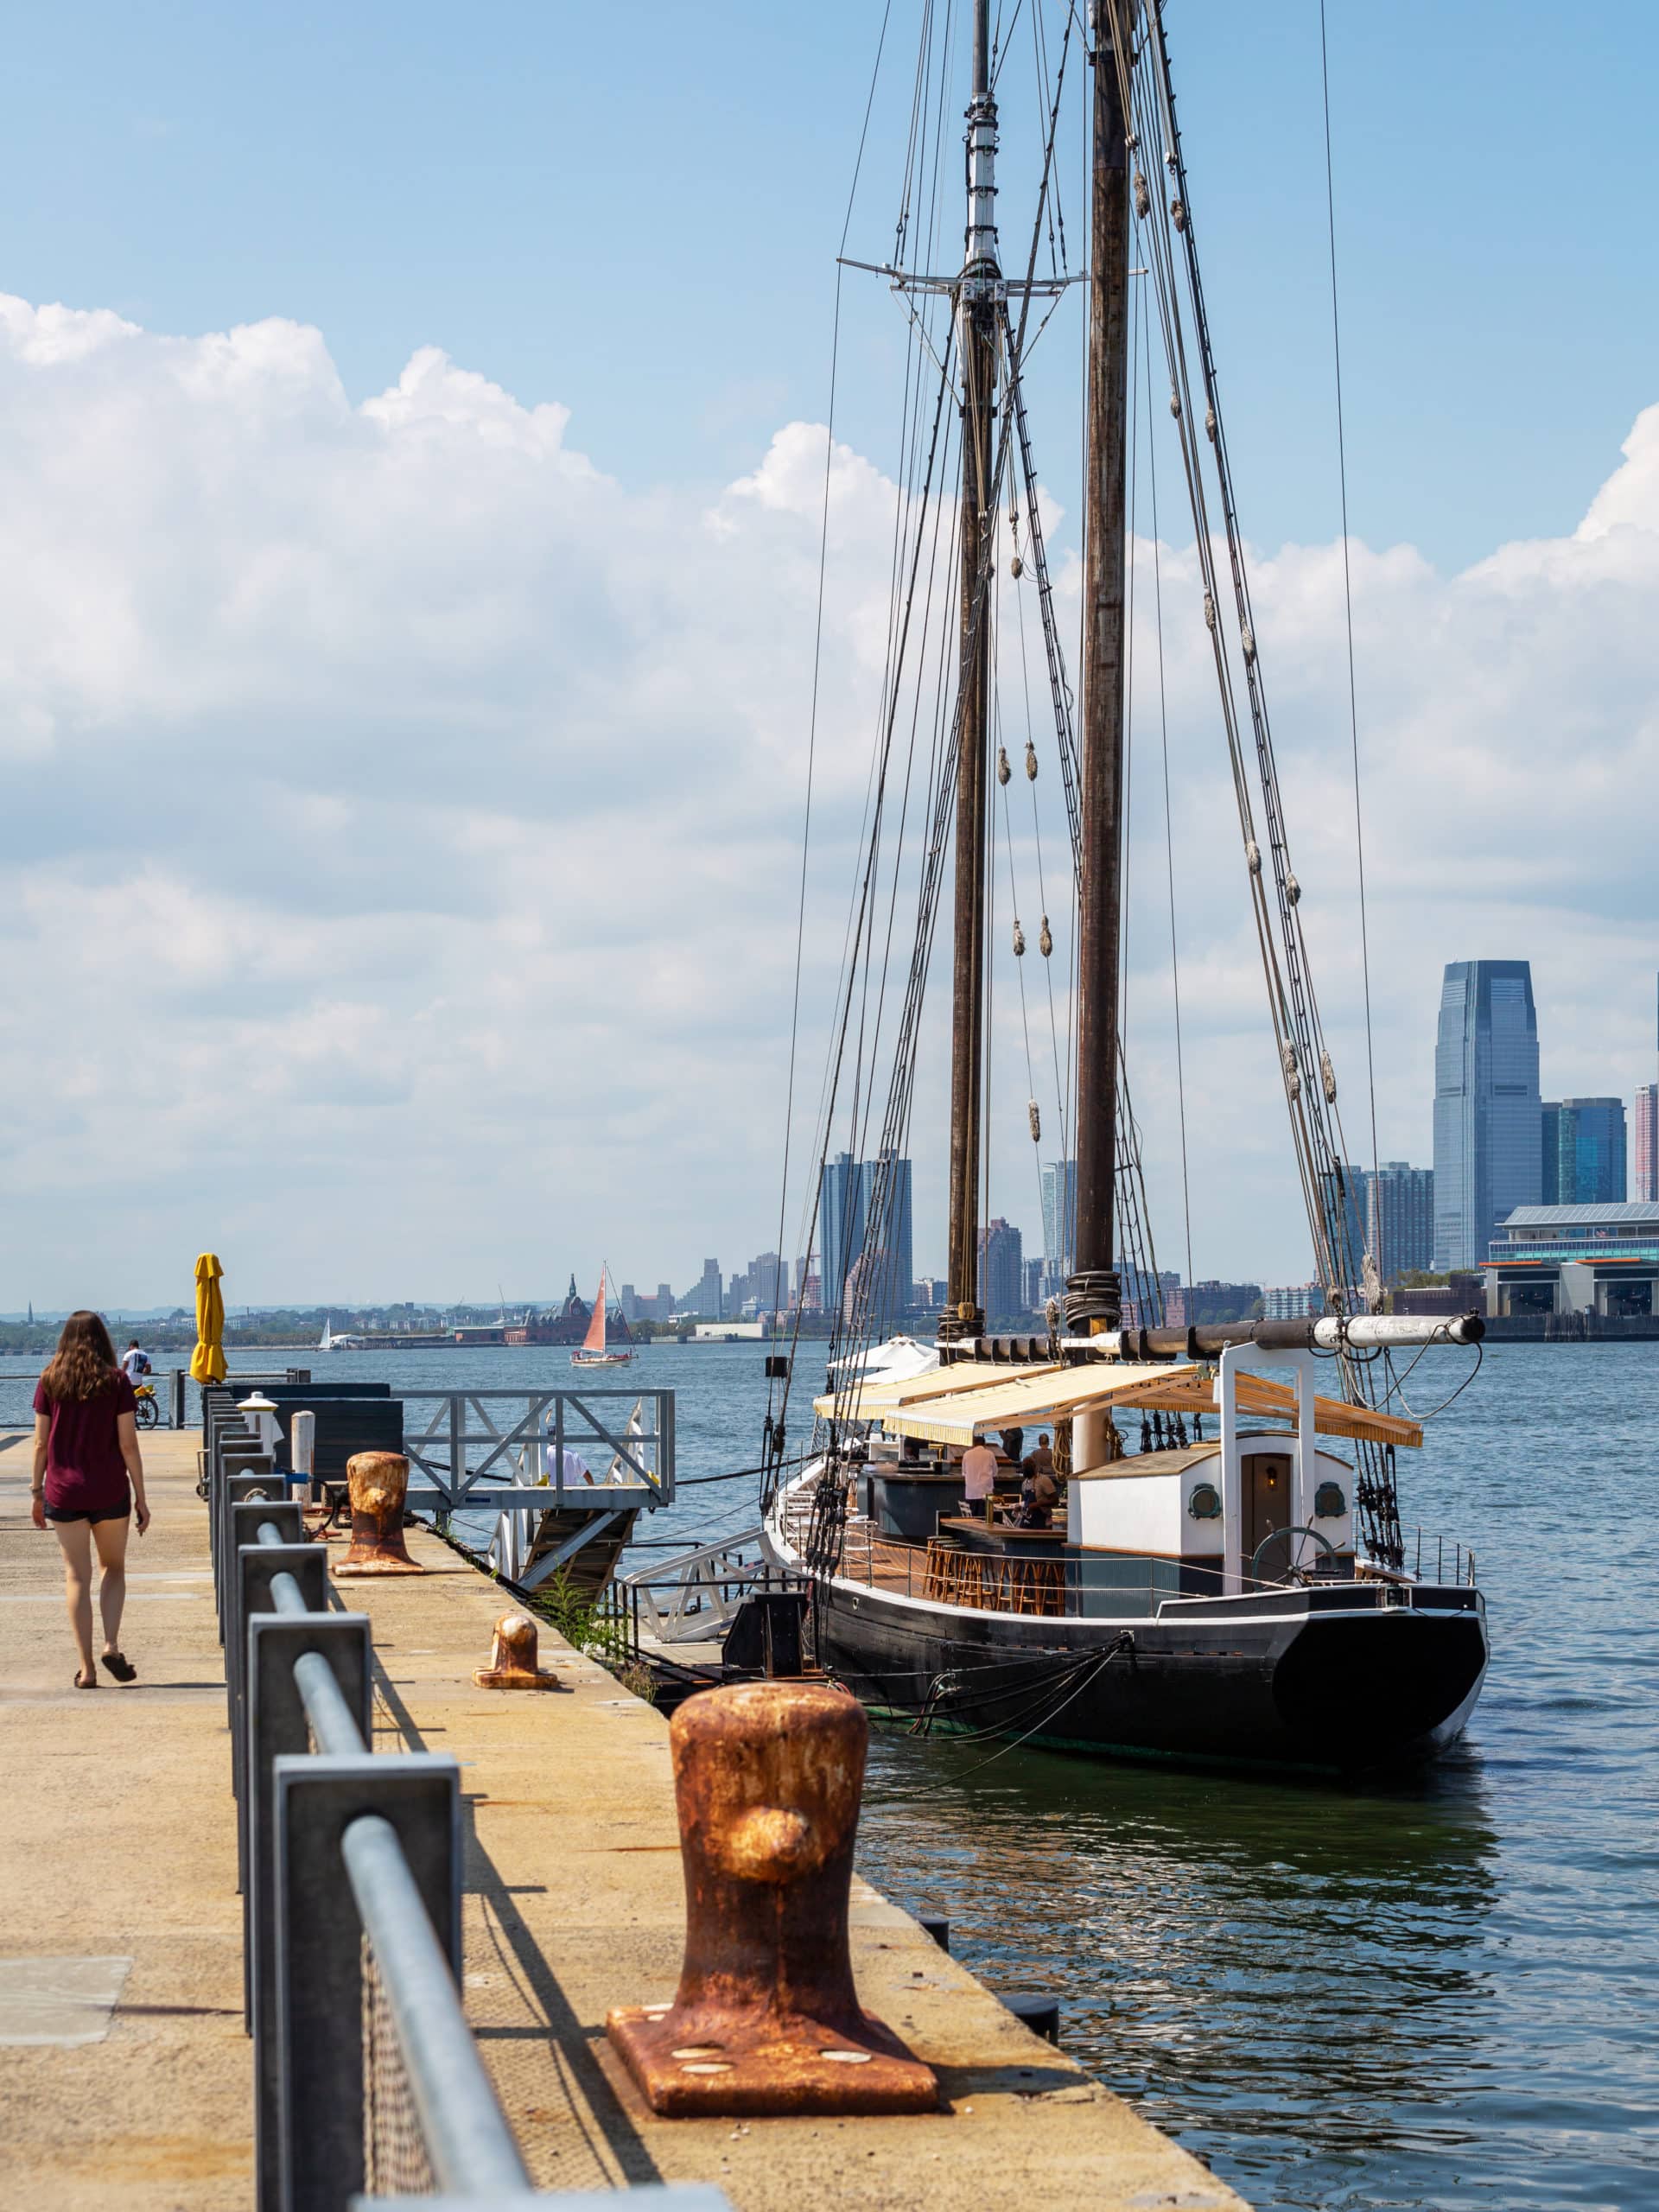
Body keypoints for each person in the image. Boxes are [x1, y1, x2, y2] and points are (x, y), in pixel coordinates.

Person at [30, 1311, 150, 1688]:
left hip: (64, 1492)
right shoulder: (116, 1382)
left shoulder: (49, 1380)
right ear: (104, 1341)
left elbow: (39, 1444)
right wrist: (142, 1500)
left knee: (76, 1576)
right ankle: (111, 1644)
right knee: (113, 1569)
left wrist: (36, 1492)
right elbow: (128, 1445)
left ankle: (87, 1669)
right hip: (110, 1489)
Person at [961, 1435, 999, 1522]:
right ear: (984, 1444)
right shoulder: (990, 1454)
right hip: (986, 1492)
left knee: (972, 1521)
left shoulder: (966, 1454)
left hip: (971, 1493)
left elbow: (964, 1472)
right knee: (986, 1520)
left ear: (973, 1444)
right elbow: (995, 1472)